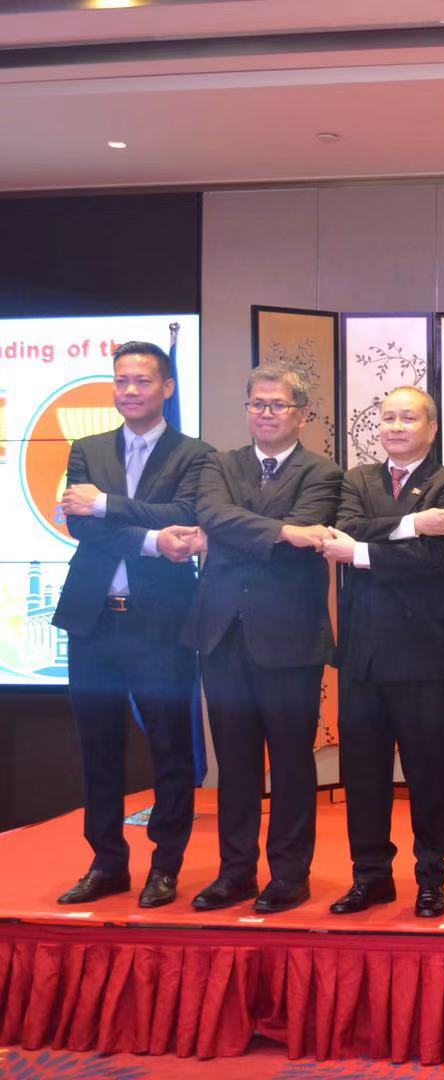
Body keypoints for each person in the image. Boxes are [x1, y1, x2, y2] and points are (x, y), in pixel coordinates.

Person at [53, 341, 214, 909]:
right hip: (94, 621)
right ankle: (107, 862)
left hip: (162, 623)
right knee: (98, 746)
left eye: (142, 381)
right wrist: (146, 537)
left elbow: (185, 517)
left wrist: (104, 505)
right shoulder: (87, 448)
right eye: (121, 381)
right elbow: (81, 528)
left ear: (166, 387)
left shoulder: (194, 454)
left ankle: (165, 864)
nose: (130, 391)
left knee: (170, 746)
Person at [183, 361, 342, 914]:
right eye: (257, 404)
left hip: (290, 637)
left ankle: (290, 875)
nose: (265, 413)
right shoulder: (217, 464)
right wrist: (281, 531)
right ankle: (235, 872)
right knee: (236, 760)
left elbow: (288, 529)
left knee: (293, 760)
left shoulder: (324, 472)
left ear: (301, 414)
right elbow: (210, 513)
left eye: (277, 405)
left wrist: (247, 532)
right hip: (222, 632)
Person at [320, 386, 444, 920]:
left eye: (410, 418)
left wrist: (359, 552)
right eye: (388, 417)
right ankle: (371, 878)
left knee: (429, 773)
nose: (397, 426)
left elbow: (433, 559)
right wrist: (407, 526)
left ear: (431, 428)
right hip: (362, 651)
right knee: (364, 774)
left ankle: (431, 877)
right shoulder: (356, 479)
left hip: (424, 651)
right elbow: (345, 527)